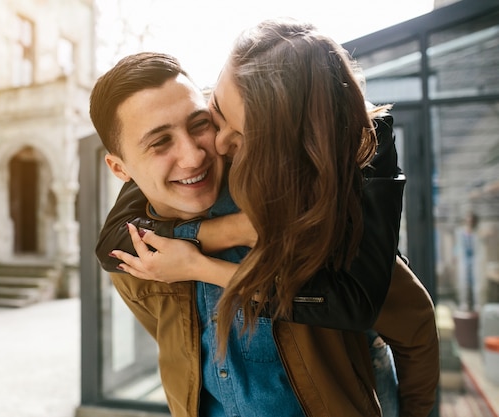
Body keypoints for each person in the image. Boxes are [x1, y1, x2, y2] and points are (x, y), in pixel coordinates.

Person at [91, 20, 438, 417]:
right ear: (120, 169)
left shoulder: (301, 214)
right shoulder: (137, 258)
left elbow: (413, 324)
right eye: (160, 142)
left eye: (201, 123)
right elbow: (183, 356)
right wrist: (211, 236)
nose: (197, 155)